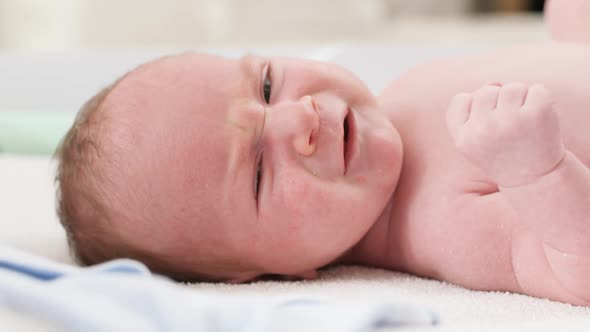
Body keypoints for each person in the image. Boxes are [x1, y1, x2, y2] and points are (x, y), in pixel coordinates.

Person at [55, 0, 590, 305]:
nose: (300, 117)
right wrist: (536, 171)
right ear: (268, 274)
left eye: (265, 86)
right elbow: (575, 271)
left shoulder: (400, 92)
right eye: (260, 171)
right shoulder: (436, 225)